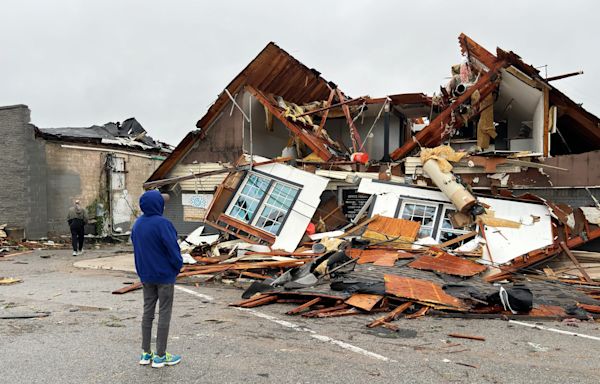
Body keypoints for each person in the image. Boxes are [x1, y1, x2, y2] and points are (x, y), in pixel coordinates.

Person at [131, 190, 183, 368]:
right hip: (164, 276)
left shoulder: (137, 224)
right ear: (158, 205)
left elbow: (137, 251)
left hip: (146, 276)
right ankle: (160, 356)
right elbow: (173, 250)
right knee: (164, 314)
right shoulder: (163, 224)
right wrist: (176, 267)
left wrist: (141, 272)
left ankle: (146, 353)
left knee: (148, 313)